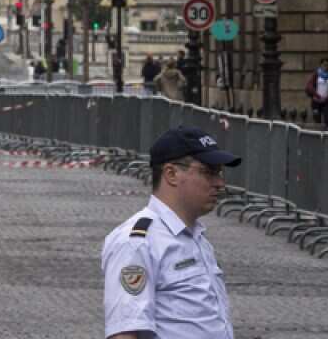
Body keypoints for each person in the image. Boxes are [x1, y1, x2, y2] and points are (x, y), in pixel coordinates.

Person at [102, 126, 241, 339]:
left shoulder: (195, 237)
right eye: (209, 172)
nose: (220, 183)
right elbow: (124, 331)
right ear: (171, 174)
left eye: (220, 173)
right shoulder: (138, 242)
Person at [305, 58, 328, 128]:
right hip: (316, 101)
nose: (326, 66)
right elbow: (309, 86)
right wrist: (316, 95)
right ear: (321, 65)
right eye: (324, 65)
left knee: (327, 119)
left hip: (326, 101)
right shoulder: (316, 74)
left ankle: (327, 134)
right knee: (317, 120)